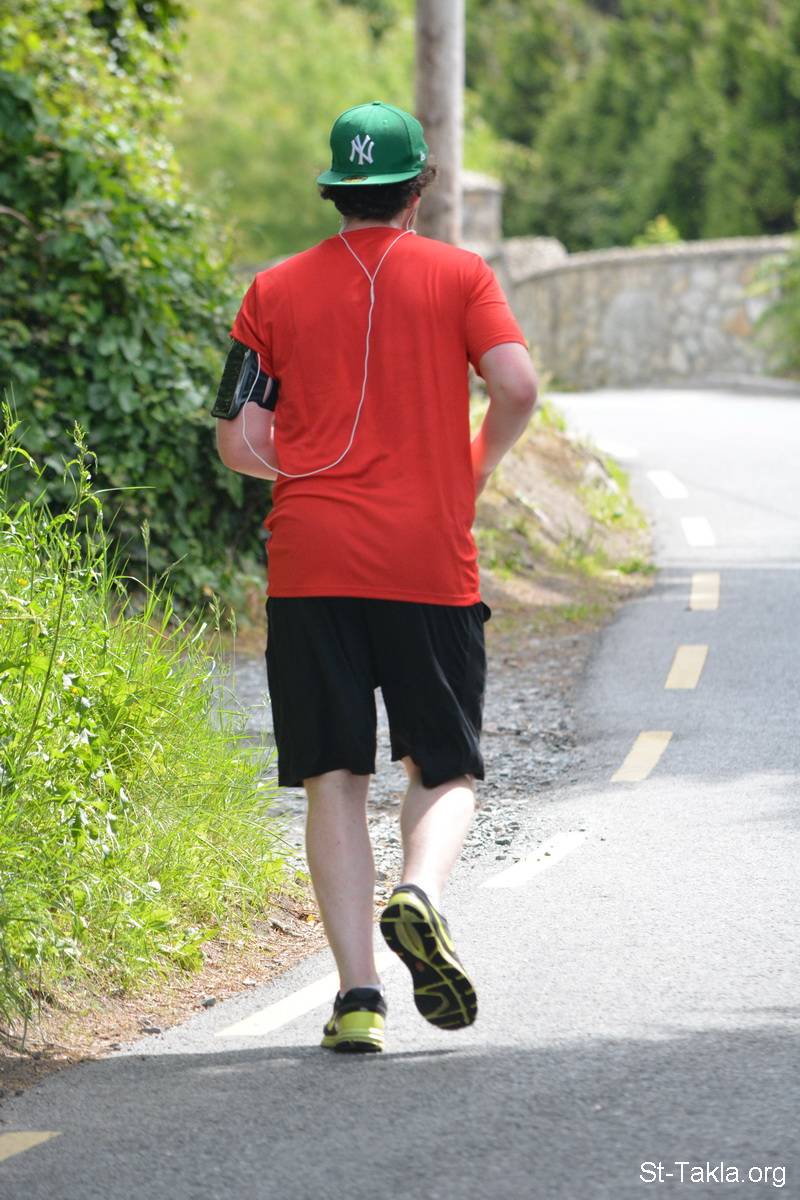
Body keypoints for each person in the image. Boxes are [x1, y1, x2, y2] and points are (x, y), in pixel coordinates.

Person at [214, 101, 537, 1053]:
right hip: (426, 558)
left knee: (333, 778)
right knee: (445, 764)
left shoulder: (271, 292)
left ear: (334, 191)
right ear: (418, 189)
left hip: (310, 564)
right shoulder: (462, 276)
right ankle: (419, 893)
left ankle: (358, 998)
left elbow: (238, 441)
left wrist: (314, 467)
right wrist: (471, 467)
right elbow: (517, 386)